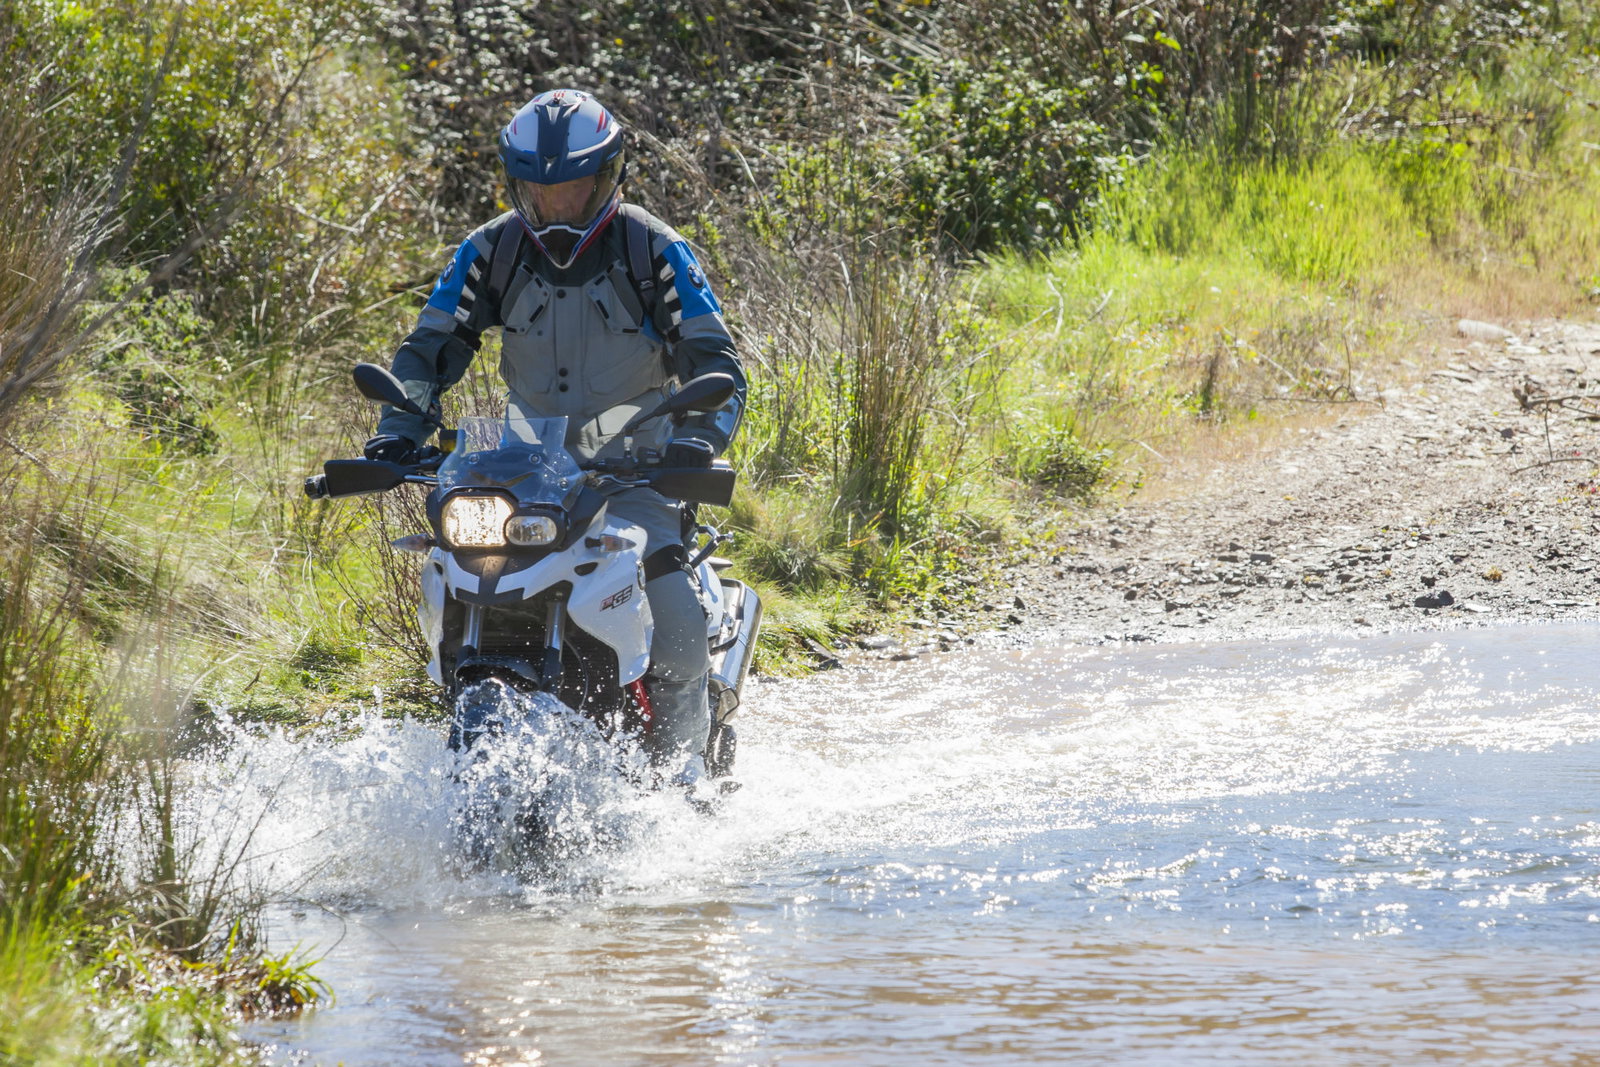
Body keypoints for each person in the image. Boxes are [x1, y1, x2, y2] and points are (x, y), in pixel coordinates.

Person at [364, 88, 746, 772]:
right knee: (460, 580)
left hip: (637, 479)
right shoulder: (491, 251)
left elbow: (715, 361)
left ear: (607, 179)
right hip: (526, 476)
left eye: (573, 189)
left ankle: (680, 787)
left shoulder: (654, 249)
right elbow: (429, 348)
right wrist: (399, 429)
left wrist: (696, 441)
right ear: (519, 188)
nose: (559, 207)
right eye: (543, 194)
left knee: (679, 630)